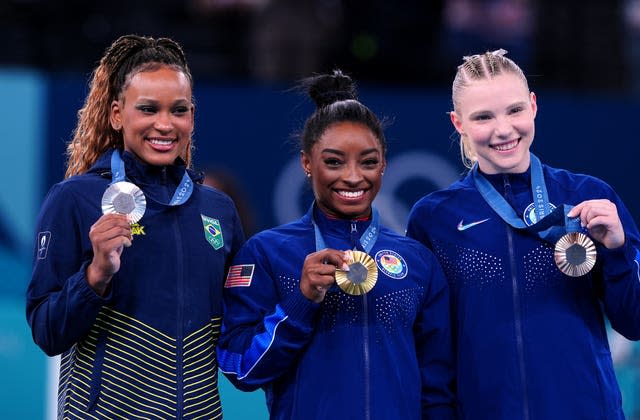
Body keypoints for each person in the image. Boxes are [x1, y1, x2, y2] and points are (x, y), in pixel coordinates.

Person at [406, 49, 640, 419]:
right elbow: (431, 345)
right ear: (458, 123)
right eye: (483, 116)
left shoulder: (588, 197)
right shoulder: (434, 218)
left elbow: (634, 321)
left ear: (533, 105)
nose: (503, 129)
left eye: (514, 110)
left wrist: (617, 251)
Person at [26, 34, 244, 419]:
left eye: (178, 110)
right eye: (147, 109)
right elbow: (47, 331)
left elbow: (241, 328)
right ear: (116, 114)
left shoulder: (218, 210)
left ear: (192, 115)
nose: (164, 124)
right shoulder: (75, 199)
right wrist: (94, 276)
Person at [216, 70, 455, 419]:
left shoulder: (418, 261)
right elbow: (240, 370)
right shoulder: (267, 253)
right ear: (306, 163)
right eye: (334, 162)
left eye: (369, 162)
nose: (354, 177)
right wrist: (301, 303)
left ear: (384, 164)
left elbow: (437, 387)